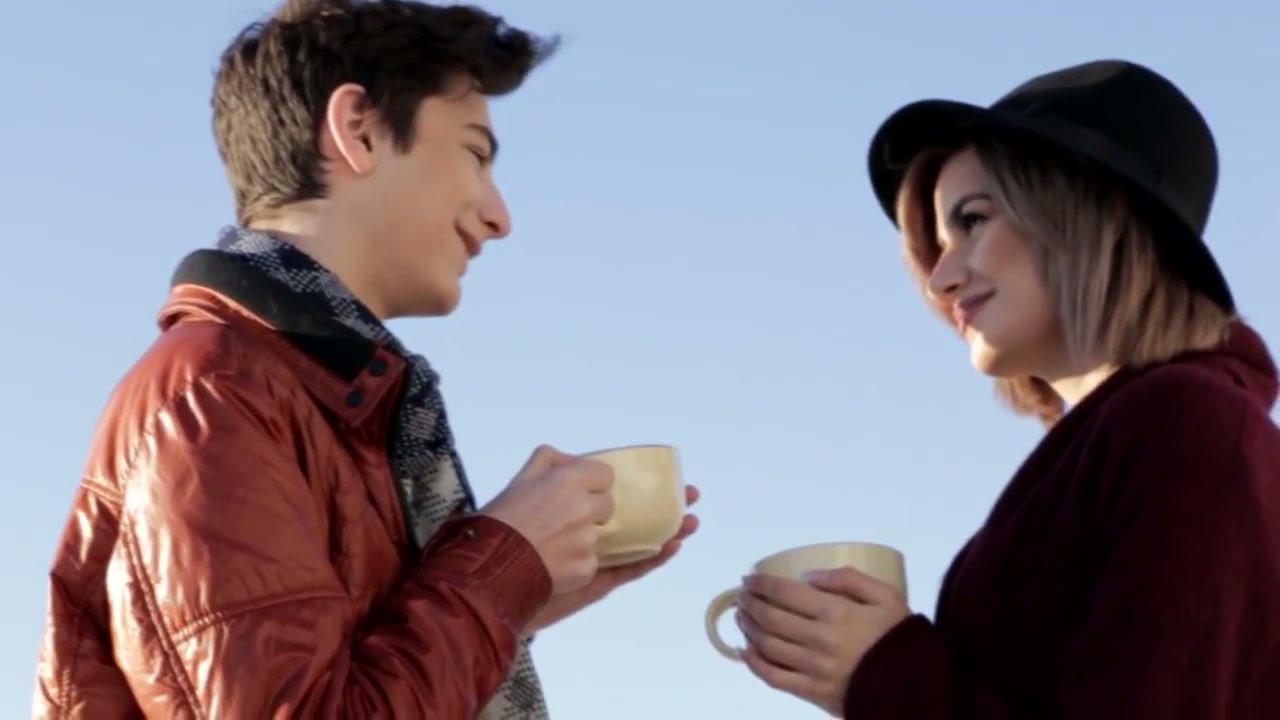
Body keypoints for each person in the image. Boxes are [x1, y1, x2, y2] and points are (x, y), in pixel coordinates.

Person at [31, 1, 698, 717]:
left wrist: (517, 606)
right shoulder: (216, 389)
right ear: (359, 130)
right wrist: (499, 567)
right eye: (475, 153)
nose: (500, 216)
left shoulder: (310, 393)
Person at [732, 59, 1280, 718]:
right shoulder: (1135, 436)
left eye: (972, 221)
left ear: (1083, 217)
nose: (941, 280)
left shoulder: (1188, 423)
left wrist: (885, 673)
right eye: (938, 245)